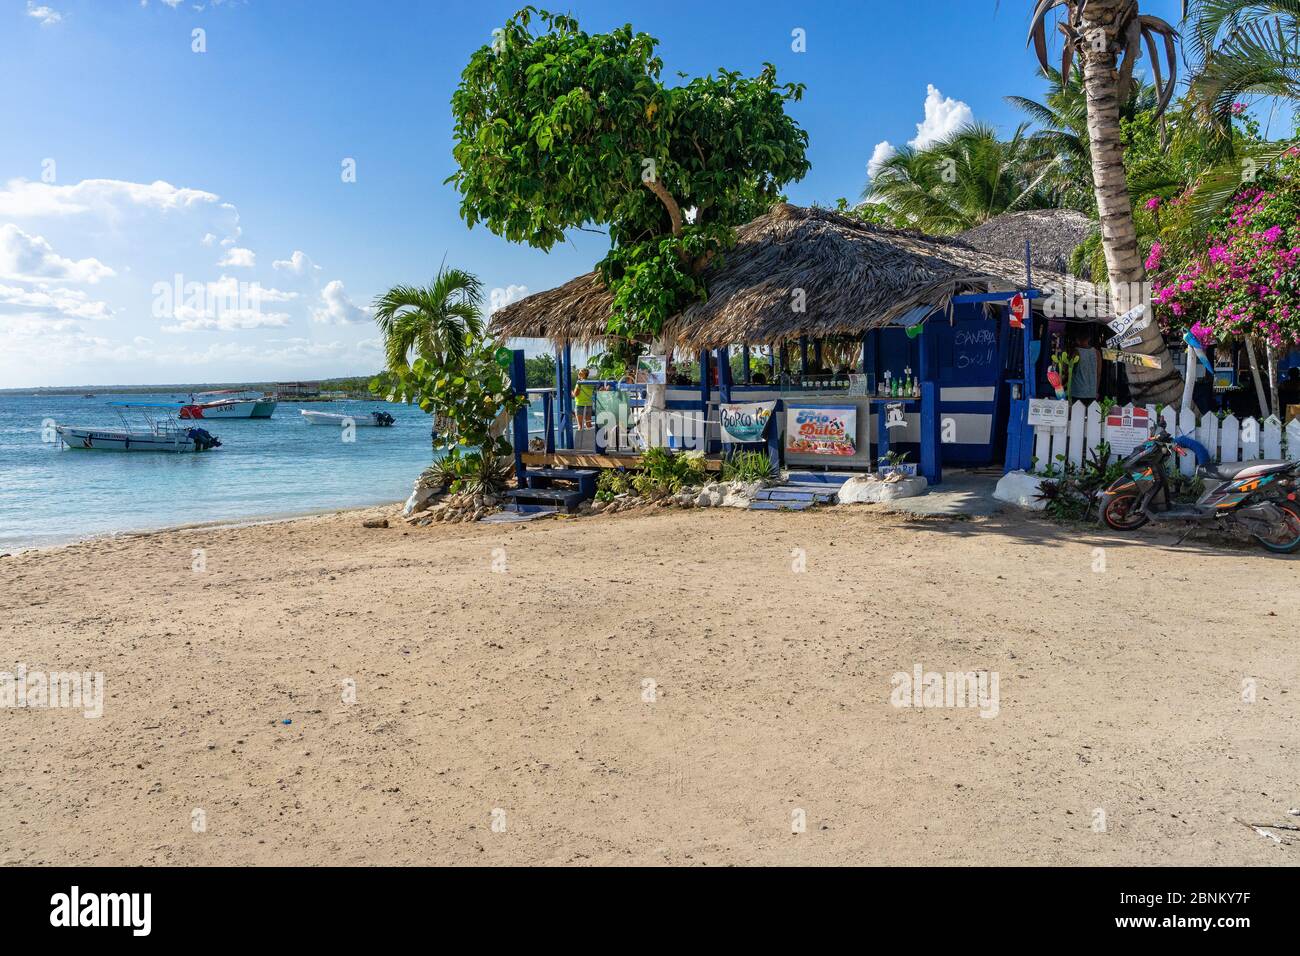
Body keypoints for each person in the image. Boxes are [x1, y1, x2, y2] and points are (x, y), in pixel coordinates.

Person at [1071, 324, 1100, 401]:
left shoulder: (1076, 352)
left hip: (1077, 392)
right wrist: (1096, 391)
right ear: (1089, 338)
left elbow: (1070, 370)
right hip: (1091, 392)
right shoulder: (1097, 353)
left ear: (1077, 339)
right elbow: (1098, 374)